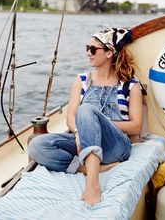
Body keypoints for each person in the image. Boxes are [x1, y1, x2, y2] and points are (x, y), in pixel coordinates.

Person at [28, 27, 143, 206]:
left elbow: (136, 126)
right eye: (86, 48)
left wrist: (97, 123)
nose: (88, 53)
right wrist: (78, 133)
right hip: (83, 140)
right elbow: (71, 117)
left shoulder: (130, 85)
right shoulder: (81, 80)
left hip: (115, 146)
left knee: (86, 110)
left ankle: (92, 184)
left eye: (93, 49)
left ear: (109, 53)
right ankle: (88, 168)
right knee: (37, 145)